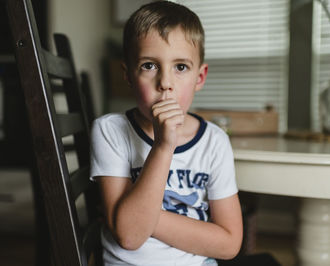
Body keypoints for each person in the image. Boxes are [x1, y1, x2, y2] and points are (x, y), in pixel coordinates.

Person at [90, 1, 244, 265]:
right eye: (149, 65)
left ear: (200, 77)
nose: (165, 83)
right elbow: (129, 236)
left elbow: (229, 243)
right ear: (128, 75)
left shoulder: (215, 141)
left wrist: (143, 217)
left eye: (180, 67)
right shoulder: (111, 131)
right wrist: (163, 146)